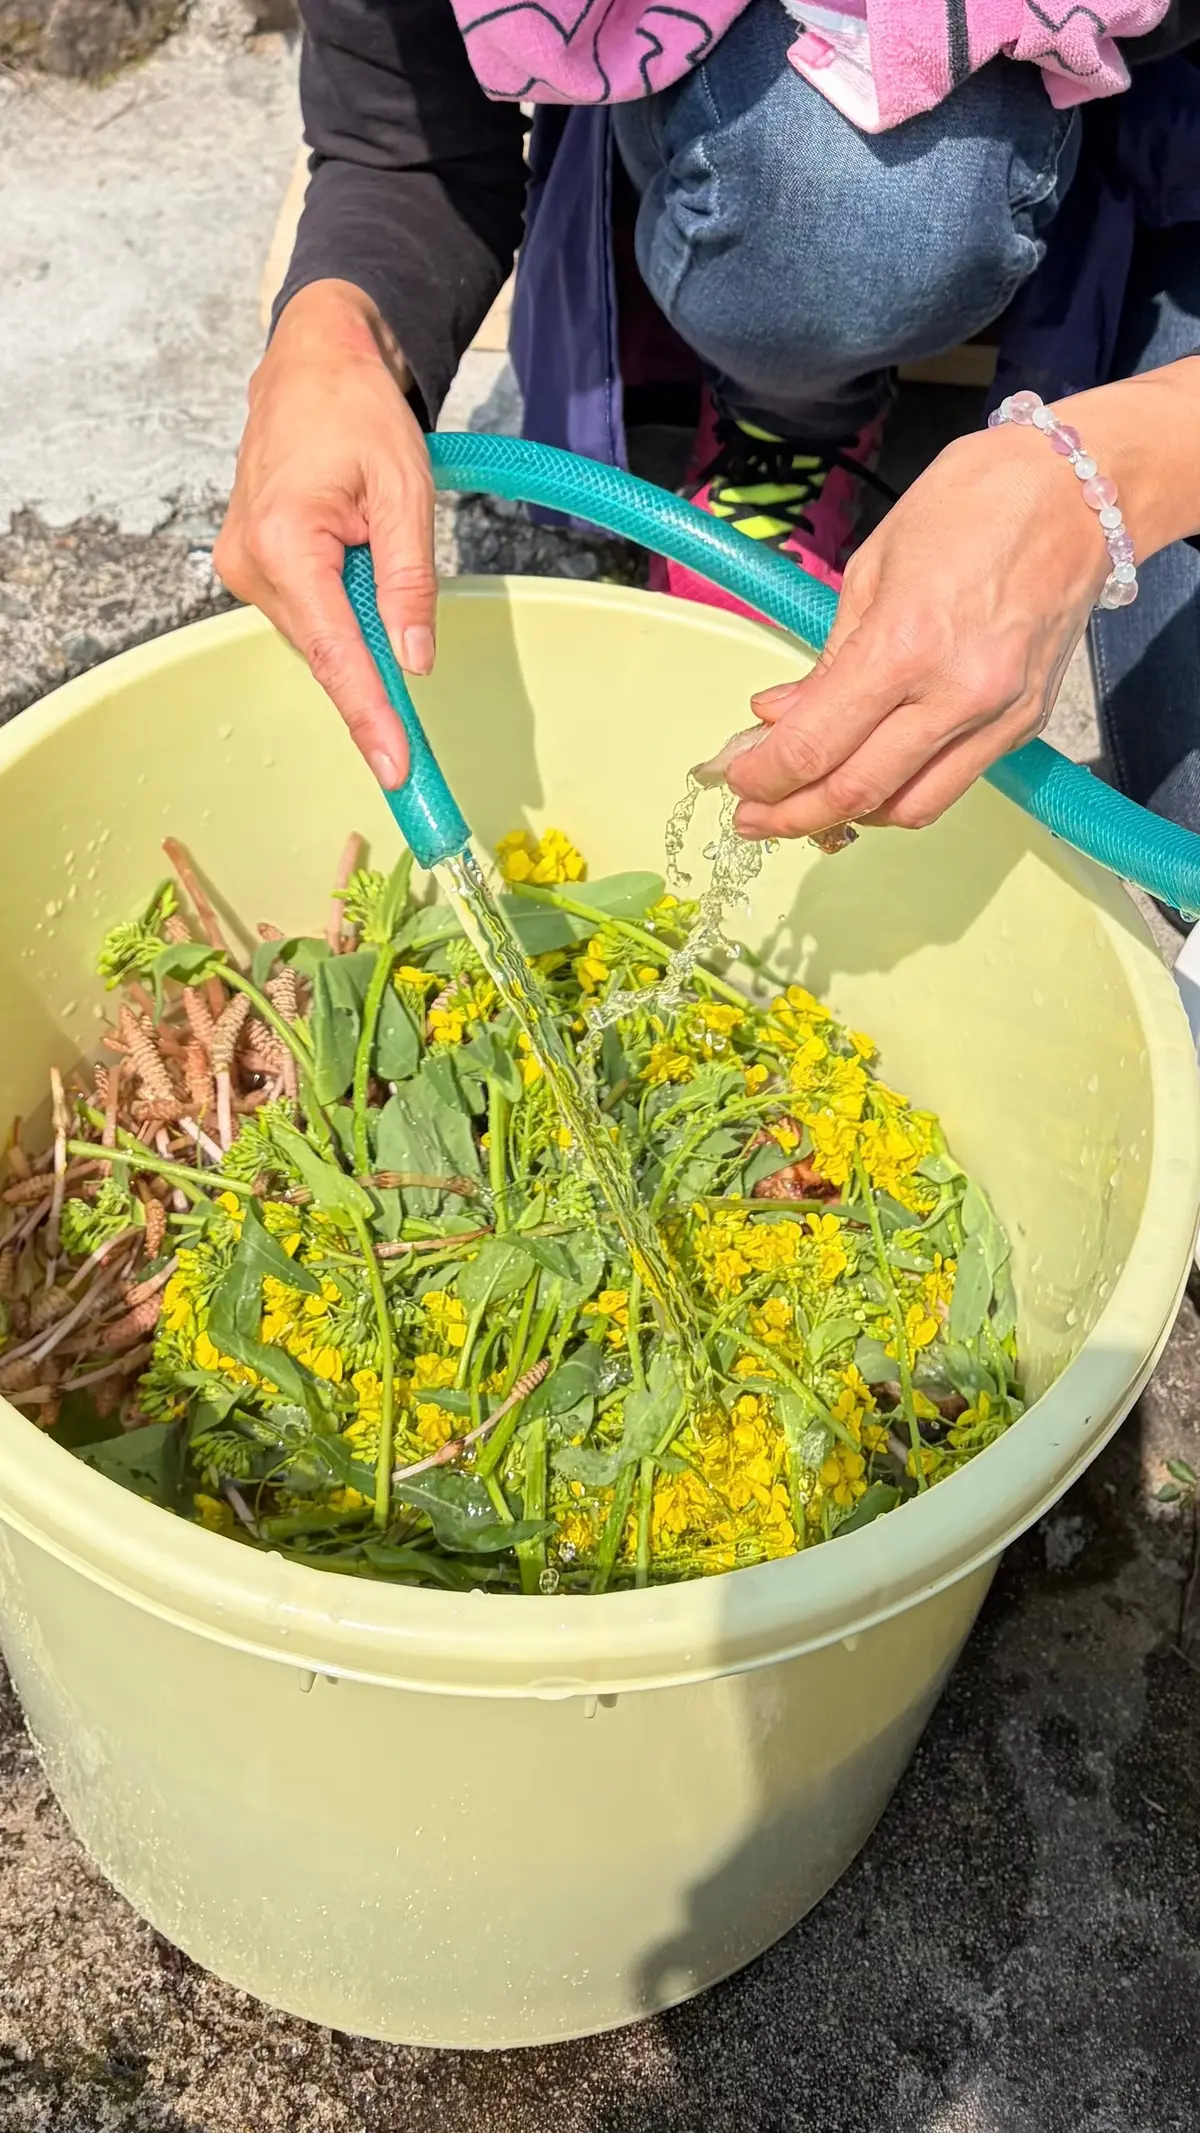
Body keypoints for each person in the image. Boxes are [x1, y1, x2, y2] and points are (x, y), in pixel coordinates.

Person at [214, 0, 1200, 847]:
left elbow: (1110, 480)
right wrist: (333, 337)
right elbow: (407, 137)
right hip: (809, 114)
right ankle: (795, 405)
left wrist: (1100, 480)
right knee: (866, 207)